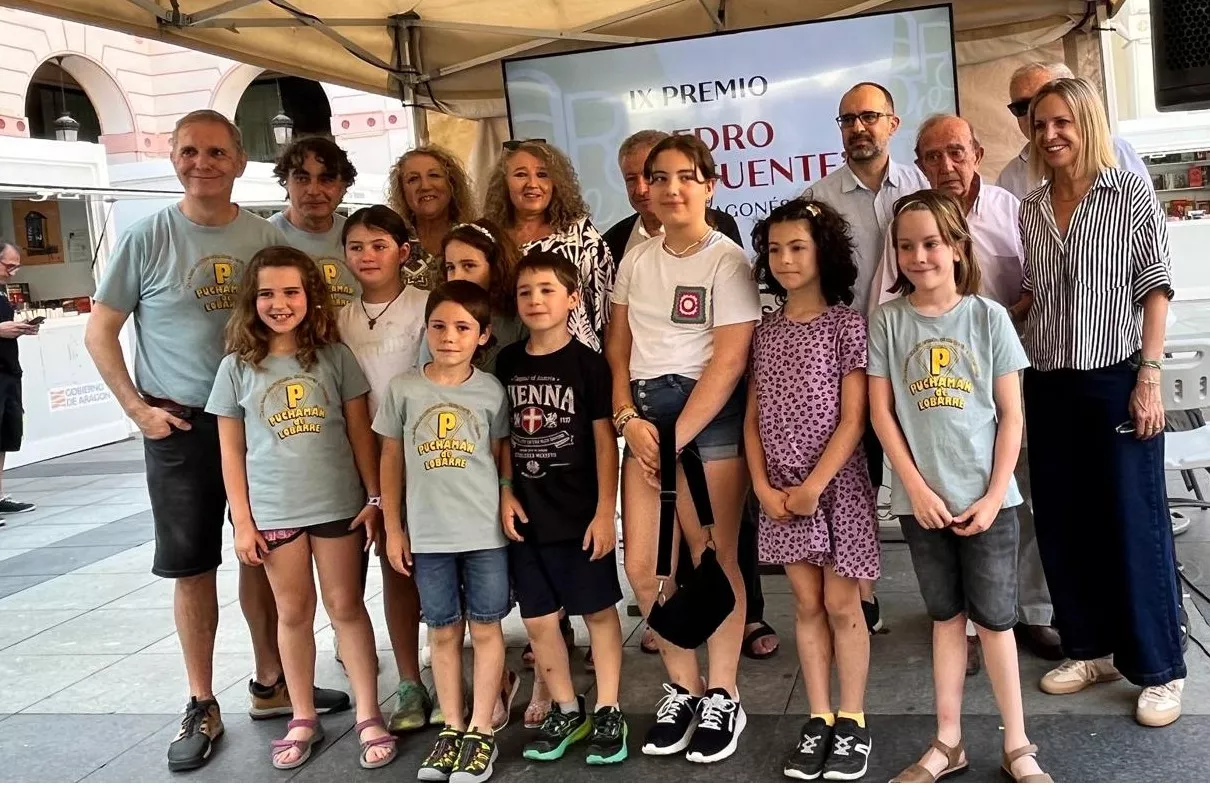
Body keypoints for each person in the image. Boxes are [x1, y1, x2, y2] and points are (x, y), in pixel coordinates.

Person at [84, 109, 348, 772]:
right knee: (192, 565)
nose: (202, 163)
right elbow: (100, 329)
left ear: (238, 161)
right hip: (181, 425)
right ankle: (201, 699)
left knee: (264, 552)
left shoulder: (263, 235)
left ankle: (271, 680)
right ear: (174, 158)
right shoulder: (146, 237)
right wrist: (137, 410)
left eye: (216, 151)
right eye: (189, 151)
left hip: (263, 427)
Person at [1019, 77, 1186, 728]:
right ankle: (1089, 649)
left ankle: (1160, 668)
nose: (1050, 134)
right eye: (1040, 124)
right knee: (1064, 520)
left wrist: (1149, 377)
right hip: (1048, 380)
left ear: (1087, 124)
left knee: (1134, 521)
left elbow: (1155, 287)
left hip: (1116, 376)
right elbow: (1037, 295)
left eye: (1062, 121)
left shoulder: (1129, 193)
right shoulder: (1032, 208)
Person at [868, 114, 1063, 667]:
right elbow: (887, 297)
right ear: (920, 165)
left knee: (1016, 499)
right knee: (948, 505)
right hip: (936, 391)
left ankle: (1030, 610)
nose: (947, 164)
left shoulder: (1013, 209)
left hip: (1006, 372)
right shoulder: (910, 222)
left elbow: (1042, 280)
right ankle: (970, 626)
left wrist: (1001, 317)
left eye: (956, 151)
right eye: (933, 156)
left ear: (977, 152)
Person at [869, 191, 1048, 784]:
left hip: (988, 501)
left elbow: (1012, 415)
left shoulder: (988, 317)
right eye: (906, 246)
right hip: (922, 504)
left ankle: (1017, 744)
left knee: (995, 622)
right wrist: (914, 489)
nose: (918, 256)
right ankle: (948, 742)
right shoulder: (888, 321)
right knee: (945, 619)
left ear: (957, 248)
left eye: (930, 243)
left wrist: (995, 494)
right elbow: (882, 414)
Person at [206, 246, 394, 771]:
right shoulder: (236, 368)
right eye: (267, 293)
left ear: (310, 297)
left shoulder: (335, 358)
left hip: (337, 506)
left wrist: (374, 497)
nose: (280, 303)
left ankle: (369, 713)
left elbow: (360, 435)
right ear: (251, 300)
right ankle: (303, 714)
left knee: (346, 608)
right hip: (275, 512)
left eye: (291, 292)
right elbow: (231, 452)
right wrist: (243, 522)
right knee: (292, 613)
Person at [606, 134, 761, 764]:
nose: (671, 189)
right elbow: (618, 348)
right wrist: (626, 419)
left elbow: (729, 361)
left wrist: (676, 438)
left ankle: (724, 694)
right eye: (659, 177)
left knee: (715, 559)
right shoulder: (636, 259)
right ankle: (685, 688)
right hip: (646, 424)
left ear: (709, 185)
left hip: (709, 422)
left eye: (686, 177)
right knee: (645, 566)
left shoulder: (728, 261)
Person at [746, 200, 878, 781]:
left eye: (797, 247)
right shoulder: (764, 332)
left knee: (842, 604)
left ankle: (853, 718)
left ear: (822, 252)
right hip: (780, 494)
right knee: (804, 605)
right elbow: (752, 418)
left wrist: (814, 487)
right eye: (775, 249)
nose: (785, 259)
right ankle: (819, 715)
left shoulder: (846, 325)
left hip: (835, 489)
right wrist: (762, 486)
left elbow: (854, 419)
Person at [802, 81, 930, 634]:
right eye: (848, 119)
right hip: (850, 363)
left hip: (918, 356)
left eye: (869, 117)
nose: (858, 128)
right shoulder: (819, 199)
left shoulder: (922, 187)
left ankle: (947, 601)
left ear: (892, 124)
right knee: (858, 478)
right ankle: (864, 592)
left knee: (927, 470)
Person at [377, 281, 512, 784]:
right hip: (428, 536)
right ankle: (452, 727)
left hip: (484, 534)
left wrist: (505, 494)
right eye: (439, 326)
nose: (449, 337)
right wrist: (393, 528)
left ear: (483, 335)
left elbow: (500, 454)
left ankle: (481, 730)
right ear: (426, 330)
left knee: (486, 627)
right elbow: (391, 460)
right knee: (442, 631)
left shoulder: (491, 390)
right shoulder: (404, 389)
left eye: (462, 328)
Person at [497, 250, 627, 766]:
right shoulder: (507, 362)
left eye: (547, 290)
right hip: (527, 514)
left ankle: (610, 707)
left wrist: (604, 511)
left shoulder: (589, 365)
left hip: (579, 513)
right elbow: (505, 436)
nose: (535, 300)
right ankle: (568, 709)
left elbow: (604, 442)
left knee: (597, 611)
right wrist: (506, 490)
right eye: (525, 292)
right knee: (539, 620)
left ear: (573, 298)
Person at [336, 205, 432, 733]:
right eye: (356, 246)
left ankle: (456, 673)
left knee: (435, 566)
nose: (368, 255)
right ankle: (408, 680)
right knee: (392, 567)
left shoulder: (427, 306)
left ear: (404, 251)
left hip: (428, 456)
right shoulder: (338, 320)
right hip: (365, 458)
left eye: (379, 245)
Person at [483, 140, 613, 352]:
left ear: (556, 182)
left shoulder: (581, 234)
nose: (532, 184)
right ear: (504, 183)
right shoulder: (489, 237)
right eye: (521, 174)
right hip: (502, 358)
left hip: (574, 360)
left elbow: (608, 313)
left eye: (542, 174)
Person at [997, 62, 1152, 200]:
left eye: (1043, 99)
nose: (1034, 112)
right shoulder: (1010, 179)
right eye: (1021, 107)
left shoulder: (1116, 151)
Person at [269, 136, 360, 308]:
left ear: (344, 187)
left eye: (326, 180)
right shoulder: (266, 238)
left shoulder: (356, 236)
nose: (313, 190)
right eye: (302, 179)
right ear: (285, 182)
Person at [438, 219, 526, 374]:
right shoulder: (439, 313)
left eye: (469, 265)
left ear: (495, 268)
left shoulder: (519, 318)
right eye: (450, 267)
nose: (457, 277)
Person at [388, 145, 478, 289]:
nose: (425, 186)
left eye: (434, 175)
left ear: (452, 183)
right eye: (413, 179)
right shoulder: (391, 244)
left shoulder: (476, 240)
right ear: (402, 191)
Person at [0, 242, 39, 523]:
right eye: (9, 266)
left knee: (4, 437)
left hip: (8, 372)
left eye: (17, 267)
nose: (13, 273)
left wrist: (20, 329)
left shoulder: (2, 293)